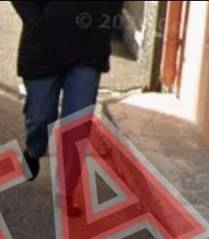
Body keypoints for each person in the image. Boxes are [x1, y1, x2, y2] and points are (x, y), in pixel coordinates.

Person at [11, 1, 124, 181]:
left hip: (88, 50)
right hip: (43, 48)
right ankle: (34, 150)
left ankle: (65, 189)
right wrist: (38, 22)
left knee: (78, 122)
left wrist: (103, 22)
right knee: (40, 116)